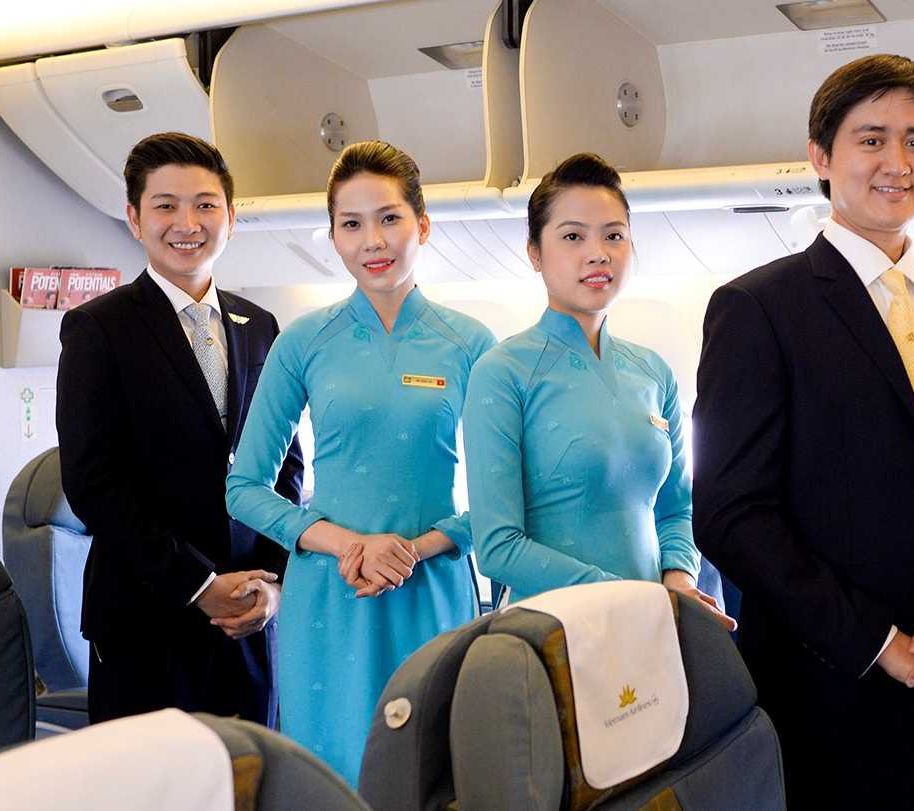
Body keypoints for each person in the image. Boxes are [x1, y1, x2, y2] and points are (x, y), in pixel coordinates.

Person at [692, 54, 914, 807]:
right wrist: (879, 642)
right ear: (820, 157)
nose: (898, 162)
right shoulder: (759, 308)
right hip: (814, 701)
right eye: (871, 139)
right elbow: (731, 514)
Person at [226, 141, 495, 785]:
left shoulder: (471, 344)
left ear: (422, 225)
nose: (372, 240)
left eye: (389, 218)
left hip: (431, 587)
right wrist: (350, 545)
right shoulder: (303, 341)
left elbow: (504, 494)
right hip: (330, 594)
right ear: (333, 238)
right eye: (351, 223)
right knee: (333, 774)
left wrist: (418, 548)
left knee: (432, 775)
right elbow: (245, 488)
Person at [57, 131, 304, 726]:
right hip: (146, 617)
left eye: (205, 204)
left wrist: (274, 583)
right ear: (134, 219)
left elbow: (286, 467)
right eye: (165, 205)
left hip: (248, 615)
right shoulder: (98, 328)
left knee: (250, 769)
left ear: (230, 217)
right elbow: (94, 484)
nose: (187, 223)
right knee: (152, 775)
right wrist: (199, 583)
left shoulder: (260, 325)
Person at [462, 152, 732, 628]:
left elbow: (676, 510)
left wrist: (678, 580)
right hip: (552, 628)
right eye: (573, 237)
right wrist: (625, 596)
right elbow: (498, 547)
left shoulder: (653, 371)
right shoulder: (502, 372)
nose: (598, 253)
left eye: (613, 235)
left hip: (649, 624)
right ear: (535, 253)